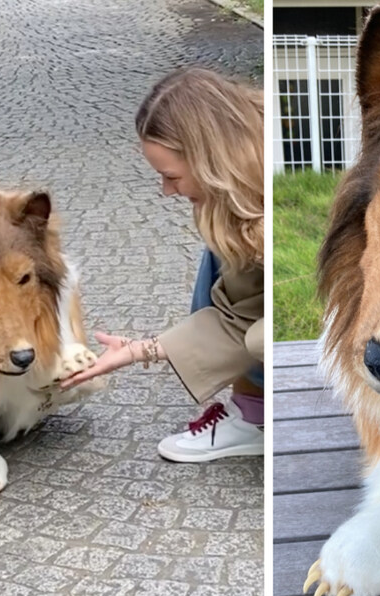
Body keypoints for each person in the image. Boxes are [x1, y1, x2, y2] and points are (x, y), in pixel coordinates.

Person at [61, 67, 264, 463]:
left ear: (212, 159)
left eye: (171, 176)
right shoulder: (234, 201)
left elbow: (250, 325)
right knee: (221, 262)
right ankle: (253, 411)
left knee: (260, 335)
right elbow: (238, 316)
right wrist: (139, 351)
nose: (166, 191)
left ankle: (260, 415)